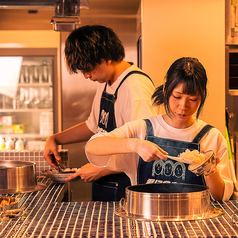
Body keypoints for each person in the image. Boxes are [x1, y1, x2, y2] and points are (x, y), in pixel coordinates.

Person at [85, 57, 235, 201]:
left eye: (192, 99)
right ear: (165, 90)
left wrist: (210, 172)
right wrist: (136, 144)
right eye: (177, 96)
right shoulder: (143, 128)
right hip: (147, 220)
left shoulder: (211, 136)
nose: (183, 106)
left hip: (194, 223)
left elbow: (221, 196)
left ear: (201, 98)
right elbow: (93, 146)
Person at [43, 25, 156, 201]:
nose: (86, 76)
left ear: (106, 58)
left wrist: (102, 169)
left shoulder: (136, 88)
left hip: (127, 190)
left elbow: (146, 148)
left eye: (89, 69)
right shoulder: (106, 82)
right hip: (108, 187)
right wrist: (55, 138)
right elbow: (93, 126)